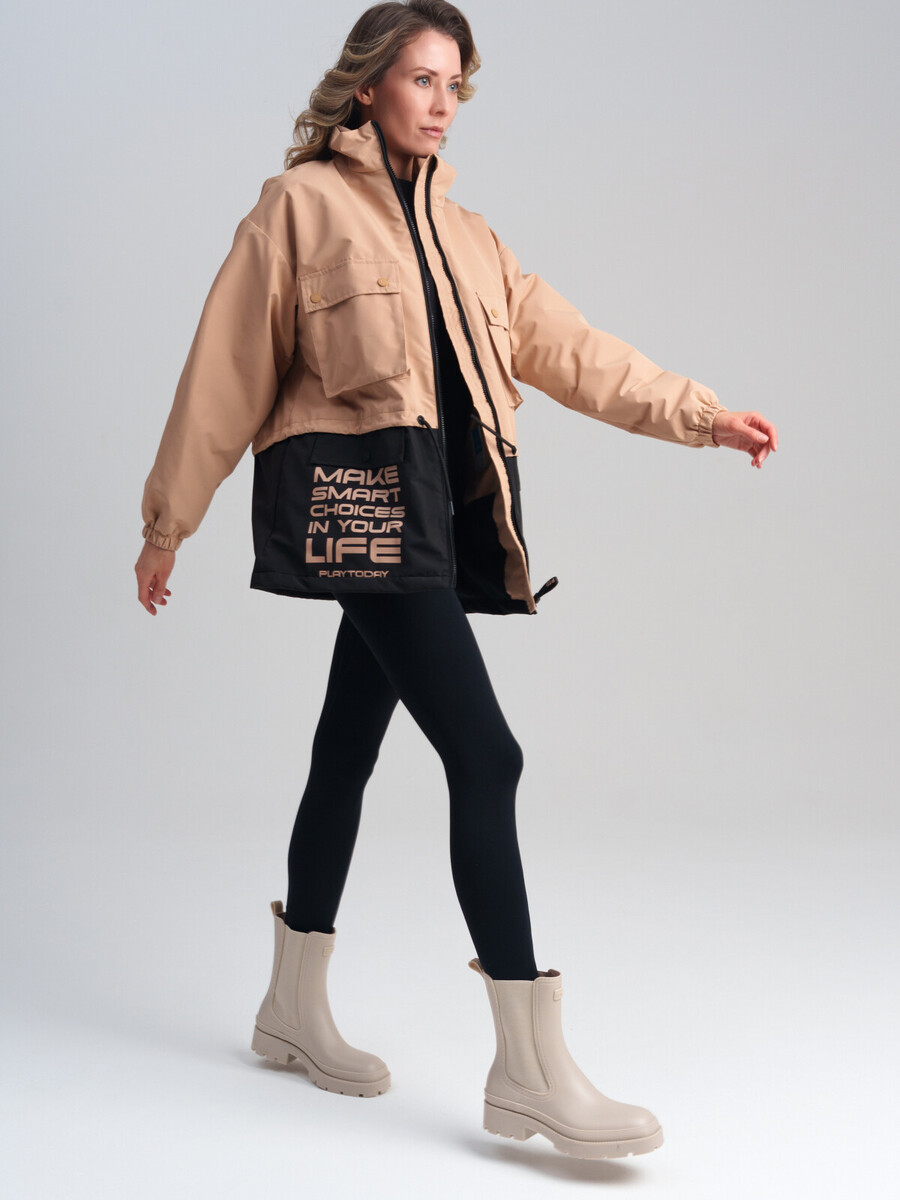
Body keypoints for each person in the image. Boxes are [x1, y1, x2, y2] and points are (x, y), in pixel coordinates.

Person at [135, 0, 778, 1161]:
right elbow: (224, 368)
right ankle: (528, 1068)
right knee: (488, 755)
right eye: (421, 79)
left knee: (346, 747)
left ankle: (289, 1008)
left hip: (438, 523)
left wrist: (702, 415)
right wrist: (167, 522)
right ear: (369, 84)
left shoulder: (471, 238)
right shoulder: (299, 208)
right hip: (361, 516)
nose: (440, 104)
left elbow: (572, 349)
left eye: (453, 85)